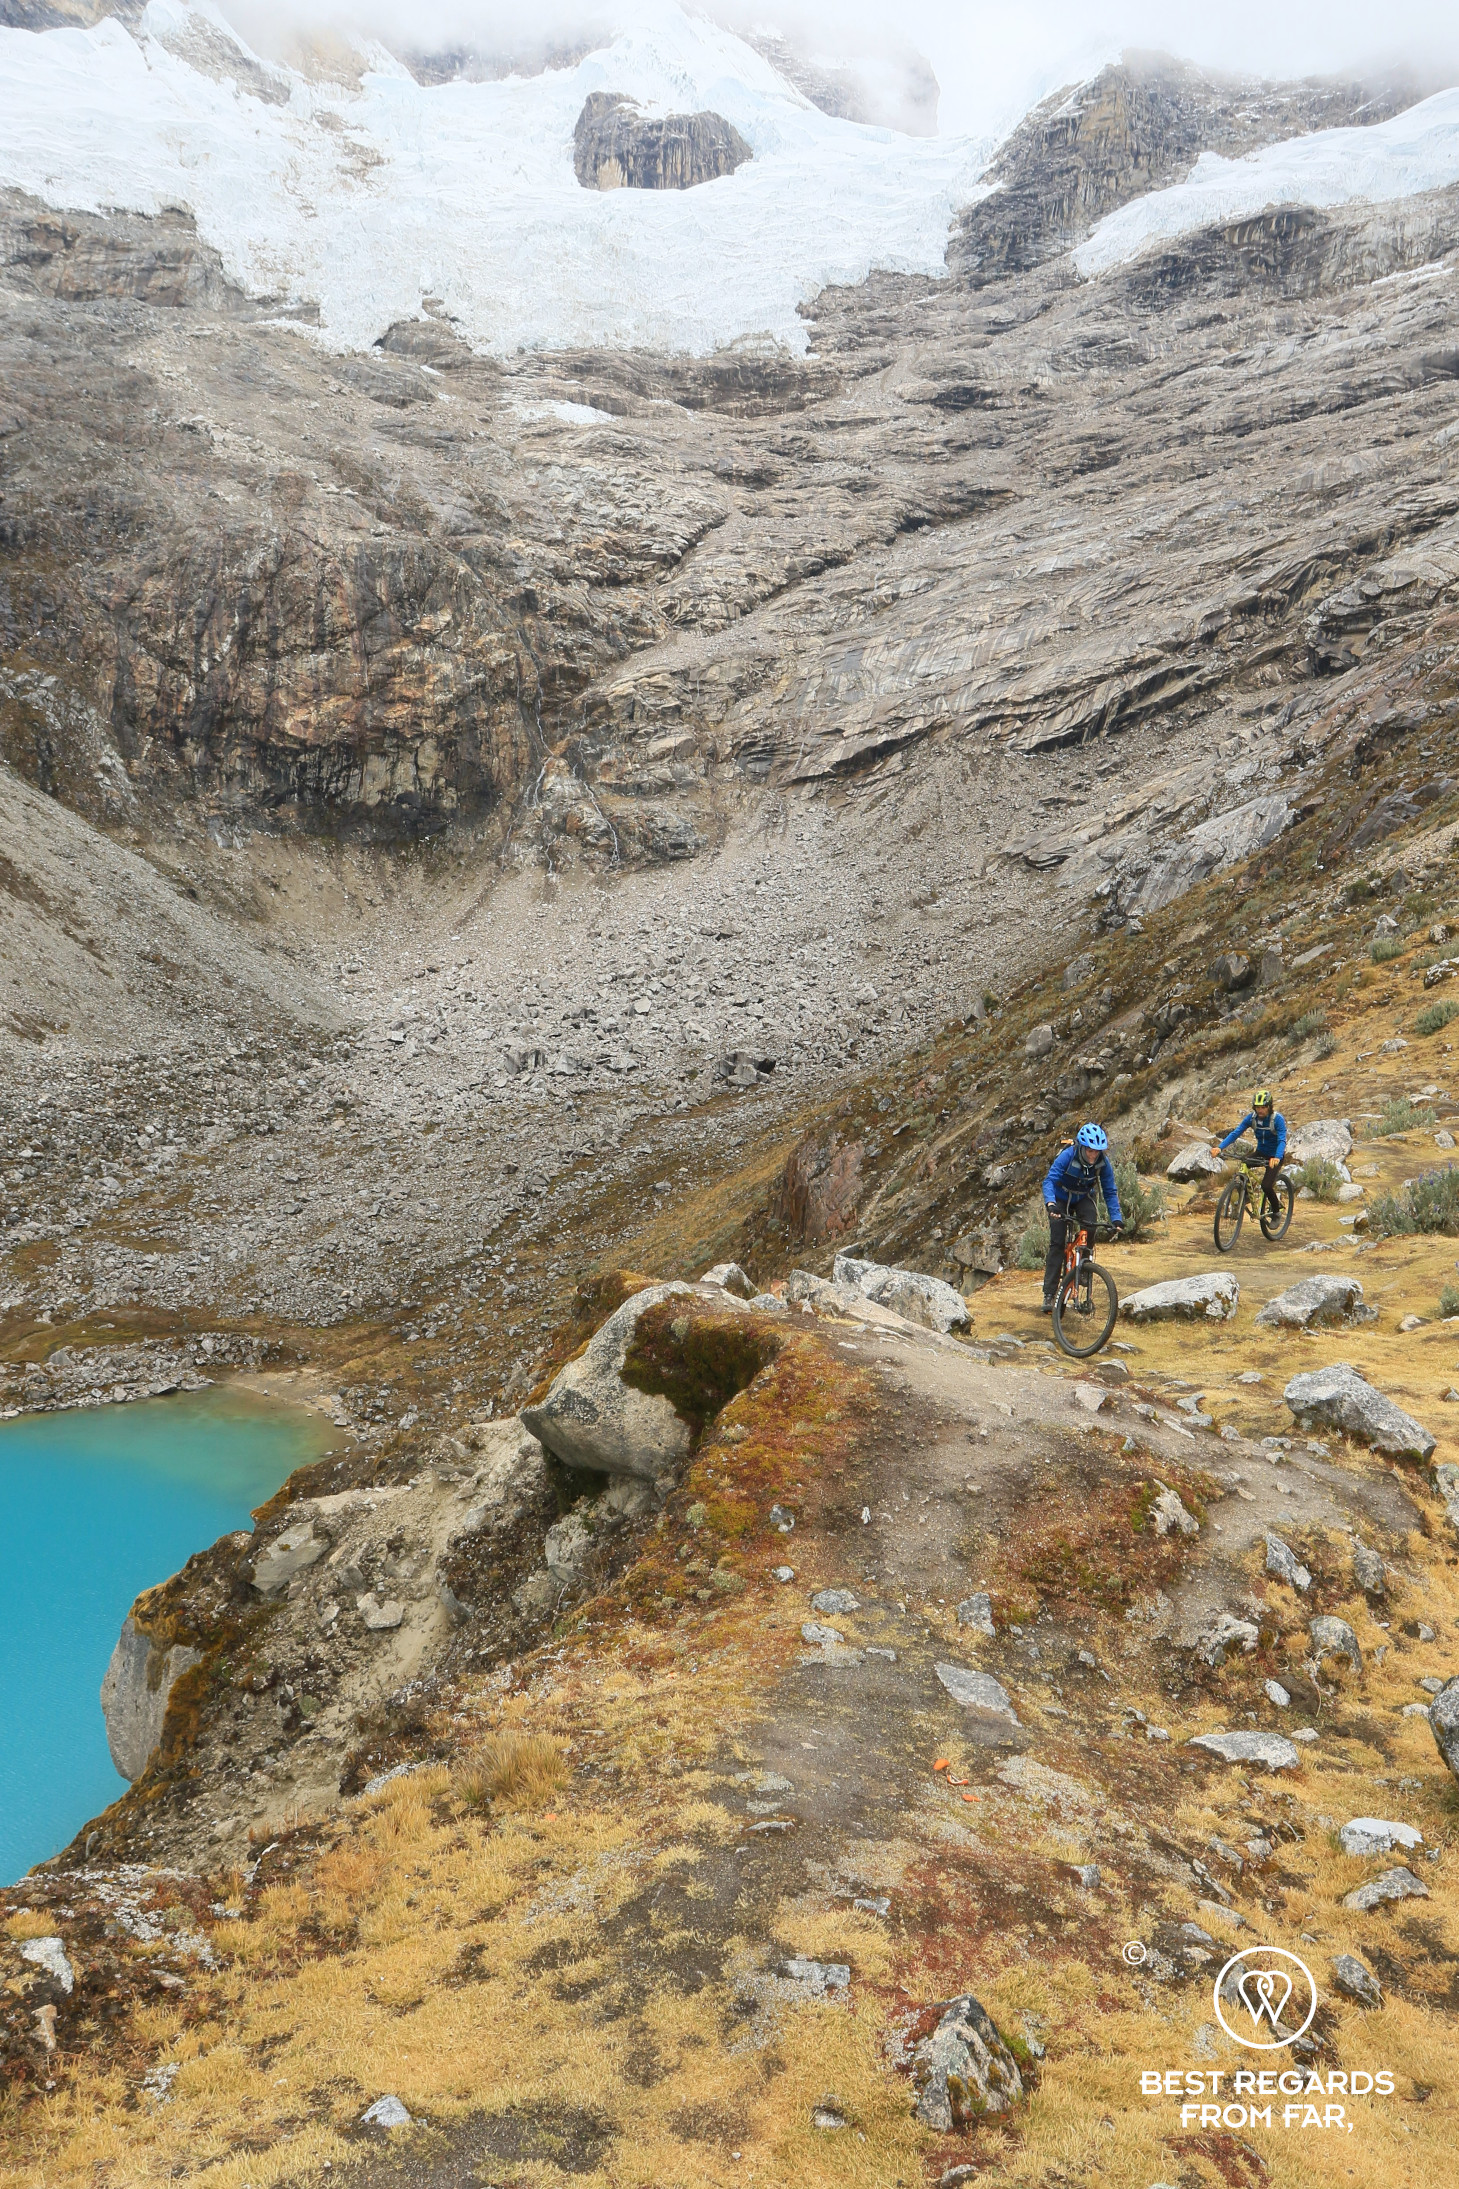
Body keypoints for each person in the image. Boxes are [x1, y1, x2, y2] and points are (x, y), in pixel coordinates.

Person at [1041, 1122, 1122, 1313]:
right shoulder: (1067, 1156)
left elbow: (1110, 1191)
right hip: (1060, 1199)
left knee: (1090, 1227)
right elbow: (1050, 1181)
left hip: (1084, 1197)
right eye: (1090, 1151)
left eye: (1097, 1151)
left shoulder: (1103, 1162)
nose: (1094, 1155)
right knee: (1057, 1243)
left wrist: (1116, 1218)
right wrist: (1050, 1204)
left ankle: (1084, 1267)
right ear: (1082, 1147)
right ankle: (1049, 1293)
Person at [1213, 1089, 1287, 1217]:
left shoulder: (1277, 1119)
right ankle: (1246, 1195)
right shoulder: (1251, 1118)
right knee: (1244, 1165)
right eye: (1257, 1107)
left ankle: (1276, 1212)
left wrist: (1277, 1157)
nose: (1260, 1110)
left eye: (1263, 1107)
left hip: (1275, 1156)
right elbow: (1236, 1133)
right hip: (1260, 1152)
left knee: (1266, 1186)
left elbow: (1281, 1140)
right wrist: (1220, 1147)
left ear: (1269, 1107)